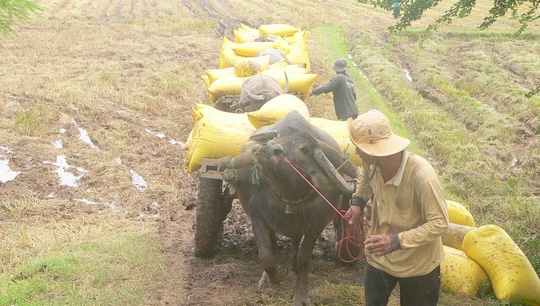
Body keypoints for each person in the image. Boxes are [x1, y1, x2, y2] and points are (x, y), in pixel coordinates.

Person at [345, 110, 449, 306]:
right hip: (380, 257)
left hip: (419, 265)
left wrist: (396, 241)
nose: (357, 152)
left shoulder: (422, 176)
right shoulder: (372, 162)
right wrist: (358, 201)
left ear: (377, 149)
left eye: (360, 148)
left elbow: (440, 222)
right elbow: (364, 175)